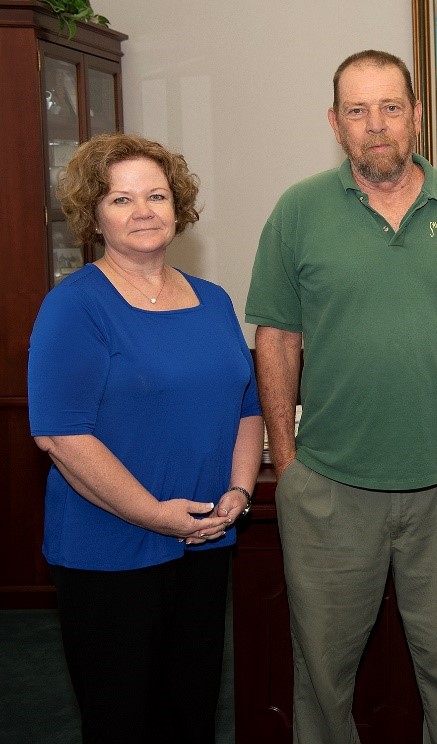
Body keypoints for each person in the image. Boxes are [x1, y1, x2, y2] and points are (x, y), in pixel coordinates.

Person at [245, 50, 437, 744]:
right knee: (323, 680)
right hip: (329, 490)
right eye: (357, 111)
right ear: (335, 123)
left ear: (417, 116)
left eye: (391, 107)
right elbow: (276, 339)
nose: (376, 125)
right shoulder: (298, 211)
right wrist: (287, 461)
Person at [28, 133, 263, 744]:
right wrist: (156, 515)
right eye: (120, 199)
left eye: (156, 195)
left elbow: (247, 404)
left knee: (192, 712)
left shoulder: (212, 301)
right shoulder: (73, 306)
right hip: (108, 550)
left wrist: (239, 491)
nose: (142, 211)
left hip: (205, 540)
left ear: (177, 205)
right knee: (122, 720)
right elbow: (60, 435)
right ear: (94, 215)